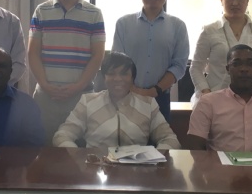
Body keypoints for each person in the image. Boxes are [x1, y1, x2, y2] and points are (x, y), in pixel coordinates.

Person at [28, 0, 105, 143]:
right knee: (43, 151)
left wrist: (77, 87)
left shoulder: (94, 14)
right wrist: (45, 85)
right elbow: (33, 53)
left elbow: (98, 56)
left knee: (80, 153)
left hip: (81, 98)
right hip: (46, 98)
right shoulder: (41, 11)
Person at [53, 51, 181, 149]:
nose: (118, 79)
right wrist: (79, 158)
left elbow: (170, 139)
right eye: (111, 73)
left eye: (124, 74)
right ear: (104, 77)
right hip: (96, 170)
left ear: (132, 78)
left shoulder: (148, 104)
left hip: (137, 170)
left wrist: (155, 158)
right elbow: (62, 135)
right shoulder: (88, 102)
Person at [112, 0, 189, 121]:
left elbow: (179, 66)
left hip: (160, 98)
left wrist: (154, 91)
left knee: (160, 137)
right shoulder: (123, 23)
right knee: (125, 136)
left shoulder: (178, 26)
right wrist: (132, 89)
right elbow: (117, 62)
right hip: (126, 96)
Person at [190, 0, 252, 103]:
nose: (235, 3)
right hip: (215, 96)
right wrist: (206, 91)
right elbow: (196, 67)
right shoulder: (209, 31)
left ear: (248, 0)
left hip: (249, 99)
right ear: (221, 0)